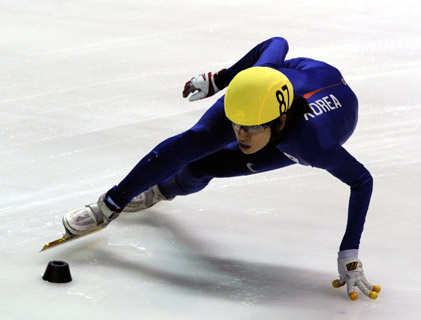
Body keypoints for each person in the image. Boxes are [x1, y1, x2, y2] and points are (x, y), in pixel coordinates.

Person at [63, 37, 380, 300]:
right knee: (195, 143)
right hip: (291, 77)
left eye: (250, 130)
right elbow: (277, 42)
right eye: (235, 125)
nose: (241, 135)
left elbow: (362, 181)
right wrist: (221, 80)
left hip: (331, 112)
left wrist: (348, 254)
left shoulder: (312, 145)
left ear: (280, 122)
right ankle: (119, 200)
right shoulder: (253, 90)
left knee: (204, 166)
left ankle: (161, 190)